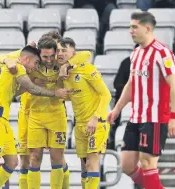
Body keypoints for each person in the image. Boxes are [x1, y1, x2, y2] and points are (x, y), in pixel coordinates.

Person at [0, 35, 91, 189]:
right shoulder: (32, 64)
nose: (48, 59)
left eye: (51, 56)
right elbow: (15, 88)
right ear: (38, 53)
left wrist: (67, 65)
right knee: (34, 157)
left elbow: (86, 54)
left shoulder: (62, 63)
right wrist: (30, 84)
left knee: (57, 158)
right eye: (44, 56)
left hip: (57, 116)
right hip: (35, 117)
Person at [107, 11, 175, 189]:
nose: (130, 30)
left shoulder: (161, 53)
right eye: (130, 27)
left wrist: (174, 116)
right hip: (135, 117)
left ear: (147, 28)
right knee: (126, 165)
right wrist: (117, 109)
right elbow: (131, 84)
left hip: (154, 118)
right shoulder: (135, 54)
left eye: (134, 27)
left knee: (147, 163)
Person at [0, 46, 69, 189]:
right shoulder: (19, 67)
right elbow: (33, 89)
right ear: (26, 59)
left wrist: (31, 84)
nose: (35, 67)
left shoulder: (10, 63)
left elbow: (14, 92)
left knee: (12, 161)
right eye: (35, 63)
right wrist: (54, 93)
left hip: (2, 120)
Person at [57, 37, 112, 189]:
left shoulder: (87, 69)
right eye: (58, 51)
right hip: (80, 124)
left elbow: (106, 95)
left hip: (96, 123)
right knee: (84, 166)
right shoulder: (64, 73)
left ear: (73, 52)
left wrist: (95, 118)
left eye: (64, 50)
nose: (60, 54)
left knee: (92, 162)